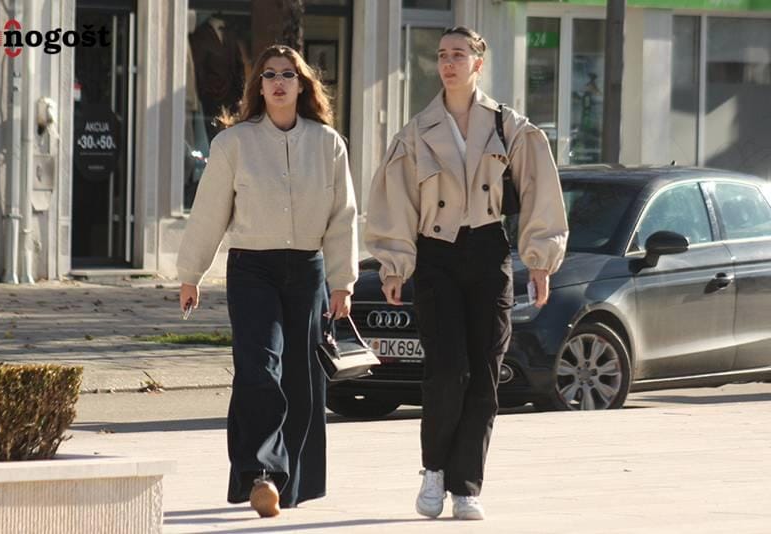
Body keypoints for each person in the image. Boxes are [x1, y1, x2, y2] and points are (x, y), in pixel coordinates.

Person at [365, 26, 568, 520]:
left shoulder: (510, 126)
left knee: (485, 374)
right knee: (447, 370)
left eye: (458, 54)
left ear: (478, 63)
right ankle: (434, 470)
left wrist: (540, 261)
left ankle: (467, 487)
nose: (448, 63)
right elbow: (395, 201)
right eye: (442, 55)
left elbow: (540, 192)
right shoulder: (416, 131)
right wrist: (394, 264)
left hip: (488, 252)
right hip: (435, 256)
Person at [176, 44, 358, 518]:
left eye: (288, 74)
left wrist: (343, 281)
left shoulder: (328, 143)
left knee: (301, 378)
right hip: (252, 269)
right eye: (270, 74)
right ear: (258, 85)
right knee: (259, 367)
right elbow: (208, 213)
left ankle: (288, 484)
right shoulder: (233, 144)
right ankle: (260, 474)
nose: (279, 82)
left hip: (308, 270)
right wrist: (191, 274)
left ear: (302, 85)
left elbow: (343, 217)